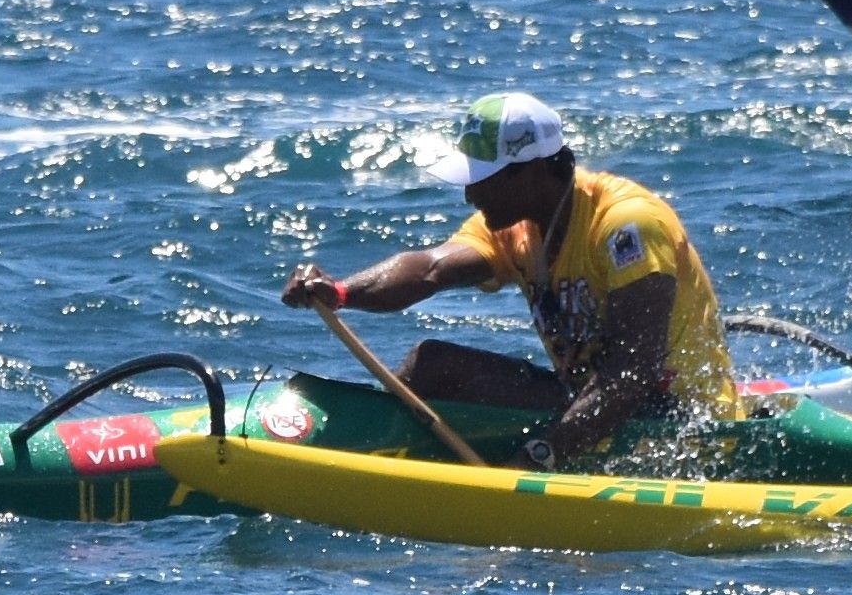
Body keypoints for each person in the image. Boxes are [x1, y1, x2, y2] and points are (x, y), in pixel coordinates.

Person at [282, 93, 737, 463]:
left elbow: (633, 375)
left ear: (533, 171)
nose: (469, 194)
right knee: (431, 364)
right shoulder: (517, 225)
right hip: (587, 398)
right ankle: (367, 450)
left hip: (673, 419)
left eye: (483, 179)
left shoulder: (626, 224)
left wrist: (541, 455)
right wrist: (340, 291)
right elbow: (429, 269)